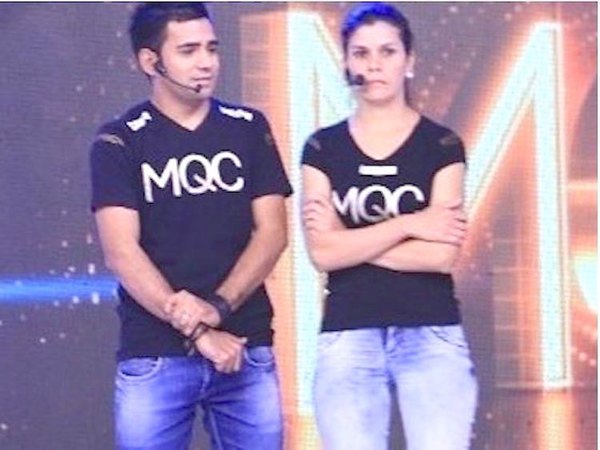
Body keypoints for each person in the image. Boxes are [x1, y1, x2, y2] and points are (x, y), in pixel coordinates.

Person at [89, 3, 291, 449]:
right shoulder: (119, 140)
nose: (206, 62)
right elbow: (121, 252)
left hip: (244, 345)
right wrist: (199, 332)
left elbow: (273, 232)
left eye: (212, 48)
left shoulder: (248, 128)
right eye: (188, 50)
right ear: (150, 61)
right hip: (154, 353)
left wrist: (217, 308)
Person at [301, 3, 478, 450]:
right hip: (348, 332)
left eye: (387, 51)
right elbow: (322, 254)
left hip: (431, 331)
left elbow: (440, 256)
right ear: (346, 63)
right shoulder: (322, 148)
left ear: (409, 61)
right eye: (361, 53)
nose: (374, 64)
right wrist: (413, 223)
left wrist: (348, 239)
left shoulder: (441, 145)